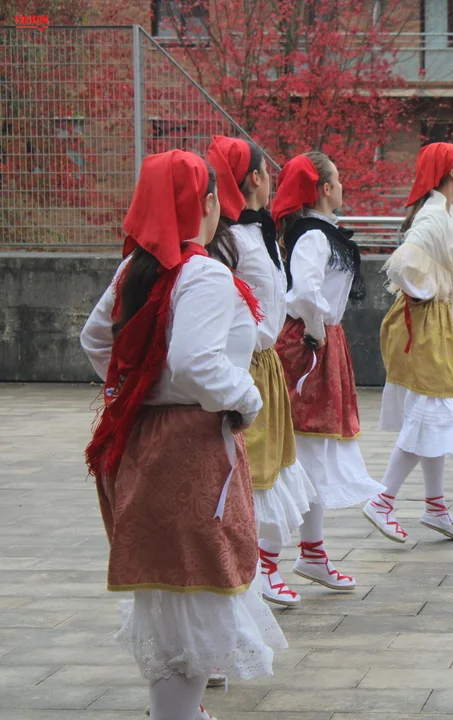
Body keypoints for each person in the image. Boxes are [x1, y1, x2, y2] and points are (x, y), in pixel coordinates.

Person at [80, 150, 286, 720]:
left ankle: (176, 711)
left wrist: (141, 386)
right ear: (208, 203)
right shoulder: (205, 275)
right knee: (197, 596)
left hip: (142, 442)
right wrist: (246, 397)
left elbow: (95, 342)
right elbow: (197, 364)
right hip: (191, 448)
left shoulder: (135, 269)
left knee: (171, 594)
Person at [363, 142, 453, 543]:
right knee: (430, 412)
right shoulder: (433, 215)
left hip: (435, 323)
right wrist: (426, 290)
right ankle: (382, 501)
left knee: (435, 412)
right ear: (452, 172)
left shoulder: (442, 211)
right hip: (425, 326)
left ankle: (435, 507)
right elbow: (401, 264)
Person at [206, 136, 318, 607]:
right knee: (245, 469)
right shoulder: (230, 240)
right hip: (243, 362)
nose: (272, 179)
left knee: (271, 465)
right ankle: (247, 570)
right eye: (267, 171)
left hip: (267, 364)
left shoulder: (261, 234)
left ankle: (263, 566)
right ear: (254, 178)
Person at [273, 151, 384, 590]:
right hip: (308, 344)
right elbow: (304, 293)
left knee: (311, 451)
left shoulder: (317, 232)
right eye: (337, 179)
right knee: (302, 452)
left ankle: (311, 554)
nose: (342, 185)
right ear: (323, 188)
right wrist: (318, 333)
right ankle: (268, 561)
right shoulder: (314, 236)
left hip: (319, 340)